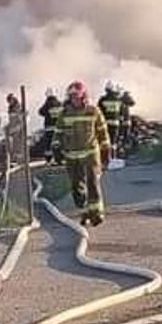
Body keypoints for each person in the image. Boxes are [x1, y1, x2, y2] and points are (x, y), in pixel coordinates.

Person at [59, 81, 111, 226]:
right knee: (77, 188)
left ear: (83, 96)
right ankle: (85, 211)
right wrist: (56, 148)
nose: (74, 99)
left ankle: (96, 214)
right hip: (72, 156)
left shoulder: (93, 111)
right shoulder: (64, 113)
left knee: (93, 183)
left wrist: (106, 150)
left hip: (90, 154)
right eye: (71, 96)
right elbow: (58, 133)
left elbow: (102, 131)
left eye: (76, 96)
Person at [97, 82, 127, 167]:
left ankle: (106, 159)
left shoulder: (103, 100)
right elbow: (122, 114)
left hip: (105, 124)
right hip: (116, 124)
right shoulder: (118, 100)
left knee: (105, 142)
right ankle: (113, 158)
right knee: (114, 143)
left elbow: (98, 113)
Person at [37, 89, 65, 162]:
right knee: (58, 142)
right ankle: (59, 158)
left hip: (49, 128)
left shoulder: (47, 104)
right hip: (58, 128)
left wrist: (47, 114)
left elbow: (40, 112)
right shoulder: (59, 103)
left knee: (49, 143)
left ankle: (48, 159)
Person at [4, 93, 28, 164]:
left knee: (17, 144)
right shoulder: (11, 107)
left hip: (19, 128)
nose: (9, 102)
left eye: (9, 101)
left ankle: (18, 159)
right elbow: (11, 119)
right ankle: (13, 158)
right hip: (14, 128)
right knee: (13, 144)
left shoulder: (18, 107)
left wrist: (18, 127)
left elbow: (21, 118)